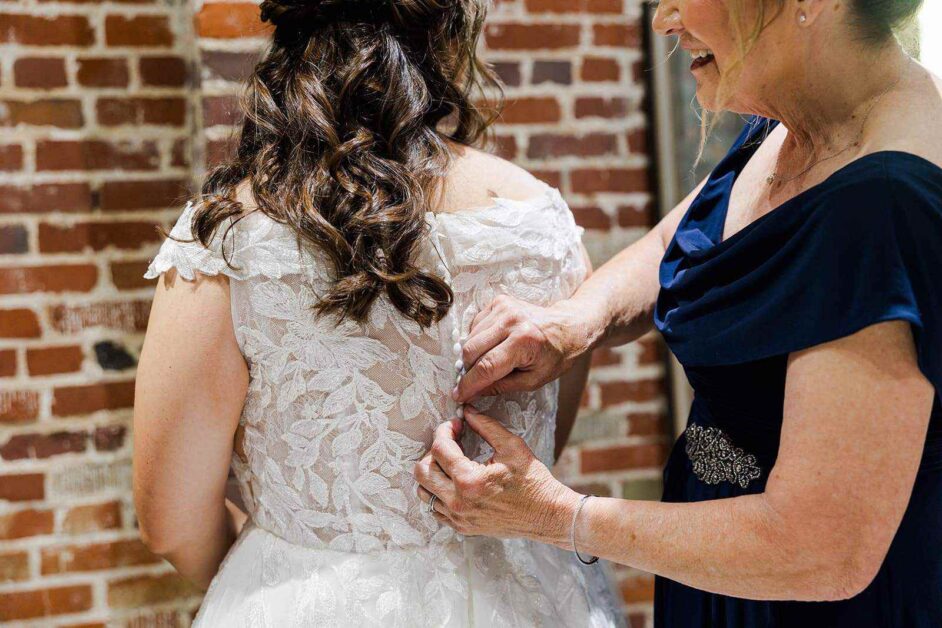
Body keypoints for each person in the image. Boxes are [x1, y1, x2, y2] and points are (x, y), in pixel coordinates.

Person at [415, 1, 942, 626]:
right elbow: (682, 240)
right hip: (716, 568)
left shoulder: (882, 203)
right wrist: (576, 321)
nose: (665, 19)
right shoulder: (791, 124)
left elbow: (821, 550)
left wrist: (556, 515)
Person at [132, 0, 625, 626]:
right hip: (525, 597)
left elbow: (169, 521)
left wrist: (276, 574)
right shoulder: (541, 222)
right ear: (446, 26)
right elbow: (542, 439)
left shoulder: (228, 240)